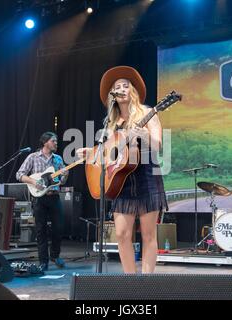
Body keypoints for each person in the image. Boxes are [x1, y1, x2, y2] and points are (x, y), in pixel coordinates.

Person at [77, 66, 167, 273]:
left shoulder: (148, 112)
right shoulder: (112, 122)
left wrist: (143, 135)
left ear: (133, 91)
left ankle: (146, 282)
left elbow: (158, 145)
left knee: (148, 234)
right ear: (113, 96)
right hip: (121, 181)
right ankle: (130, 282)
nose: (121, 89)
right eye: (117, 87)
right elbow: (109, 152)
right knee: (122, 234)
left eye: (126, 85)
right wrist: (91, 153)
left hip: (146, 176)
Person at [16, 132, 68, 271]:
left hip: (54, 196)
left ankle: (55, 255)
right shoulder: (32, 157)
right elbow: (19, 174)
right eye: (53, 141)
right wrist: (33, 181)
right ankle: (43, 261)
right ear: (45, 142)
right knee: (41, 230)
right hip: (39, 198)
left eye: (56, 141)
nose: (56, 143)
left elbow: (61, 181)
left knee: (59, 228)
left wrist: (65, 175)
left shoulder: (58, 159)